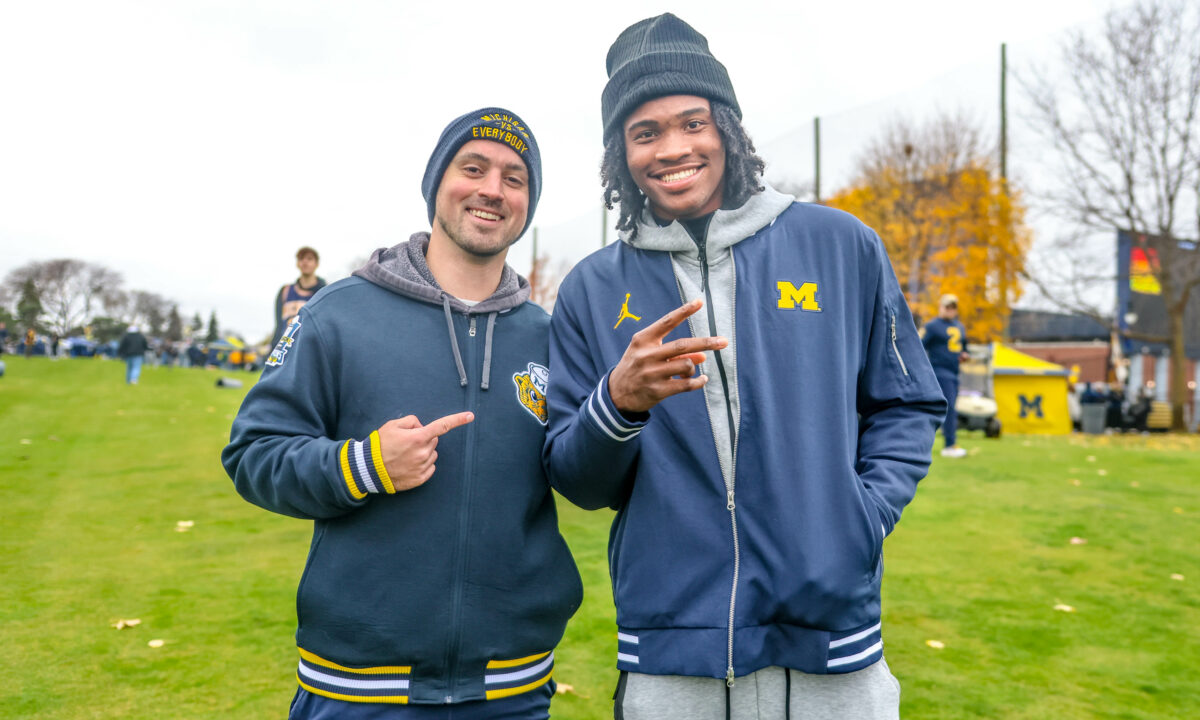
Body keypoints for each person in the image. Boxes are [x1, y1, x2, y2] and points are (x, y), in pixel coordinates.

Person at [544, 14, 946, 720]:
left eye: (691, 122)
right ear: (621, 154)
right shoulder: (591, 287)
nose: (673, 148)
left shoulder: (840, 244)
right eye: (646, 133)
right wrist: (619, 404)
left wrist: (859, 517)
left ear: (725, 128)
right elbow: (577, 480)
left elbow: (907, 402)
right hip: (672, 649)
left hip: (831, 641)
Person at [223, 107, 582, 720]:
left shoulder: (549, 335)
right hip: (360, 689)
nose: (492, 189)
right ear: (436, 184)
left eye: (514, 177)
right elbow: (253, 453)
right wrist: (360, 464)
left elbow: (585, 471)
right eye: (473, 168)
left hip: (512, 690)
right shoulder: (338, 314)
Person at [921, 293, 970, 457]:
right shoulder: (932, 326)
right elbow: (917, 346)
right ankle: (949, 445)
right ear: (940, 307)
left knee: (948, 408)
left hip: (954, 372)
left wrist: (965, 355)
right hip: (939, 372)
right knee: (948, 409)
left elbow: (964, 348)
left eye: (953, 307)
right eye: (947, 306)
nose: (950, 310)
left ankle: (947, 443)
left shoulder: (960, 326)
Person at [272, 246, 328, 349]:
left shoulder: (324, 292)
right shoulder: (285, 291)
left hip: (311, 349)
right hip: (285, 350)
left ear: (317, 264)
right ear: (297, 263)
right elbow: (279, 326)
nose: (305, 262)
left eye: (309, 259)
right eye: (301, 258)